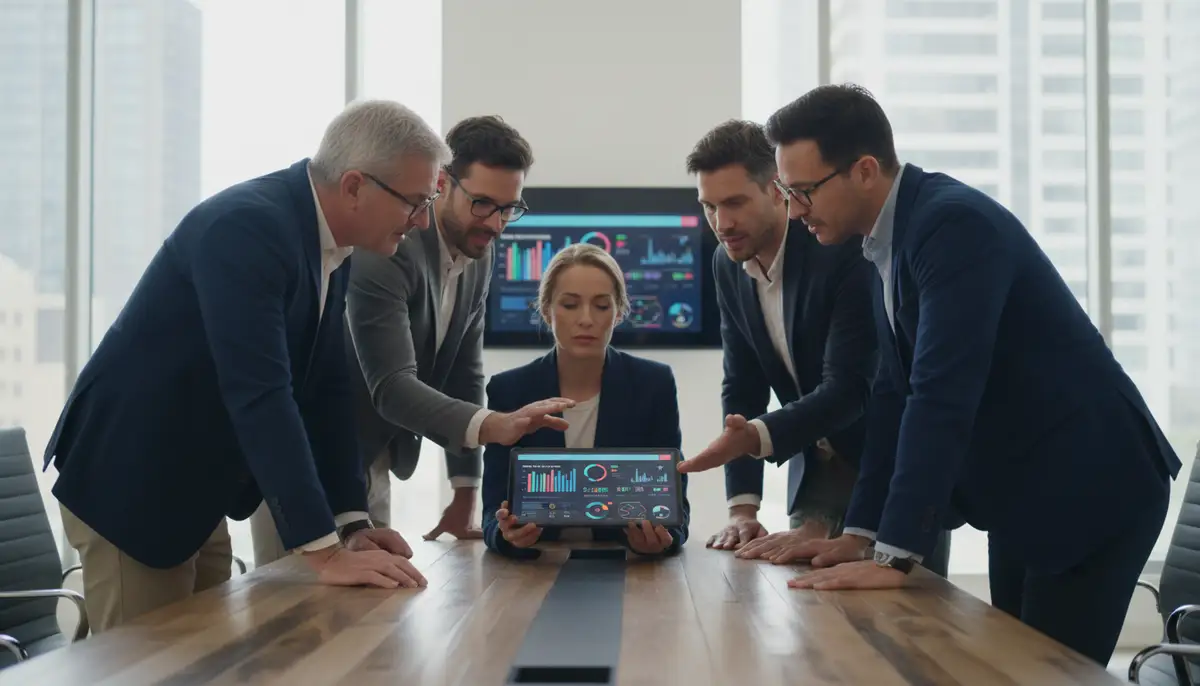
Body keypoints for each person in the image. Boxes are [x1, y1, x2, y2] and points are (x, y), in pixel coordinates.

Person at [682, 84, 1181, 666]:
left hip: (1089, 482)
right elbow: (891, 396)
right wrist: (862, 533)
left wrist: (894, 554)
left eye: (803, 192)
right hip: (1021, 491)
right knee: (1006, 665)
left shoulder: (952, 227)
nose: (795, 210)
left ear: (864, 171)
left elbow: (941, 394)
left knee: (1044, 672)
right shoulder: (884, 242)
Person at [43, 100, 447, 633]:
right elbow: (261, 393)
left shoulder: (332, 245)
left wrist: (351, 522)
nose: (422, 221)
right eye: (416, 202)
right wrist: (324, 553)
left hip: (197, 483)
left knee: (209, 656)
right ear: (354, 186)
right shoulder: (248, 227)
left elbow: (326, 389)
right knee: (149, 662)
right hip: (134, 480)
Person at [249, 116, 571, 567]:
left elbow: (464, 370)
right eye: (482, 204)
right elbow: (392, 385)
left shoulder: (479, 253)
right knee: (292, 603)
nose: (496, 224)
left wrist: (465, 491)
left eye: (508, 208)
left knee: (370, 597)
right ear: (443, 182)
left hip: (370, 458)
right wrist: (496, 425)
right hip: (307, 456)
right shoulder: (387, 246)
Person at [680, 120, 953, 575]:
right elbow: (742, 384)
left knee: (904, 611)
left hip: (888, 470)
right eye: (709, 206)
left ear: (777, 190)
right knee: (804, 602)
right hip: (814, 478)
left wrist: (756, 436)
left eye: (734, 203)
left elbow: (850, 387)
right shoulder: (725, 264)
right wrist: (743, 508)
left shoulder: (841, 247)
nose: (721, 224)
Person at [482, 244, 690, 559]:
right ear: (546, 310)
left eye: (602, 306)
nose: (586, 319)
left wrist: (662, 540)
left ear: (619, 313)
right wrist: (507, 535)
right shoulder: (509, 389)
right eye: (570, 305)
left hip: (627, 566)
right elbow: (491, 514)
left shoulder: (654, 384)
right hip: (537, 566)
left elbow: (676, 512)